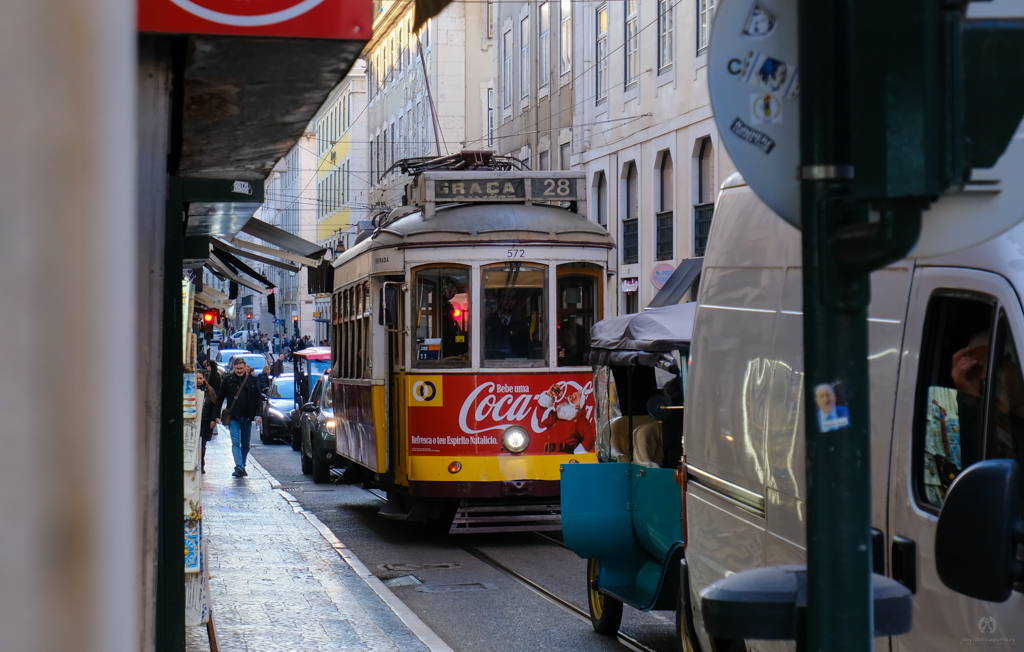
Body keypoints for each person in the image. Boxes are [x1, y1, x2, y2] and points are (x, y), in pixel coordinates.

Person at [216, 357, 263, 477]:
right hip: (233, 417)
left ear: (245, 367)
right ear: (233, 368)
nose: (239, 371)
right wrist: (216, 415)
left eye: (241, 368)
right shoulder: (228, 380)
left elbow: (258, 398)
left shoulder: (251, 380)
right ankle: (239, 467)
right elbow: (220, 398)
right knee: (236, 442)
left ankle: (242, 465)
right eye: (237, 369)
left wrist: (259, 414)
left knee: (246, 444)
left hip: (247, 417)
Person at [196, 369, 217, 473]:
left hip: (205, 421)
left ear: (204, 379)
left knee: (202, 445)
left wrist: (213, 419)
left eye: (200, 378)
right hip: (194, 421)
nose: (198, 380)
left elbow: (214, 406)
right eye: (197, 378)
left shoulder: (209, 391)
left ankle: (201, 465)